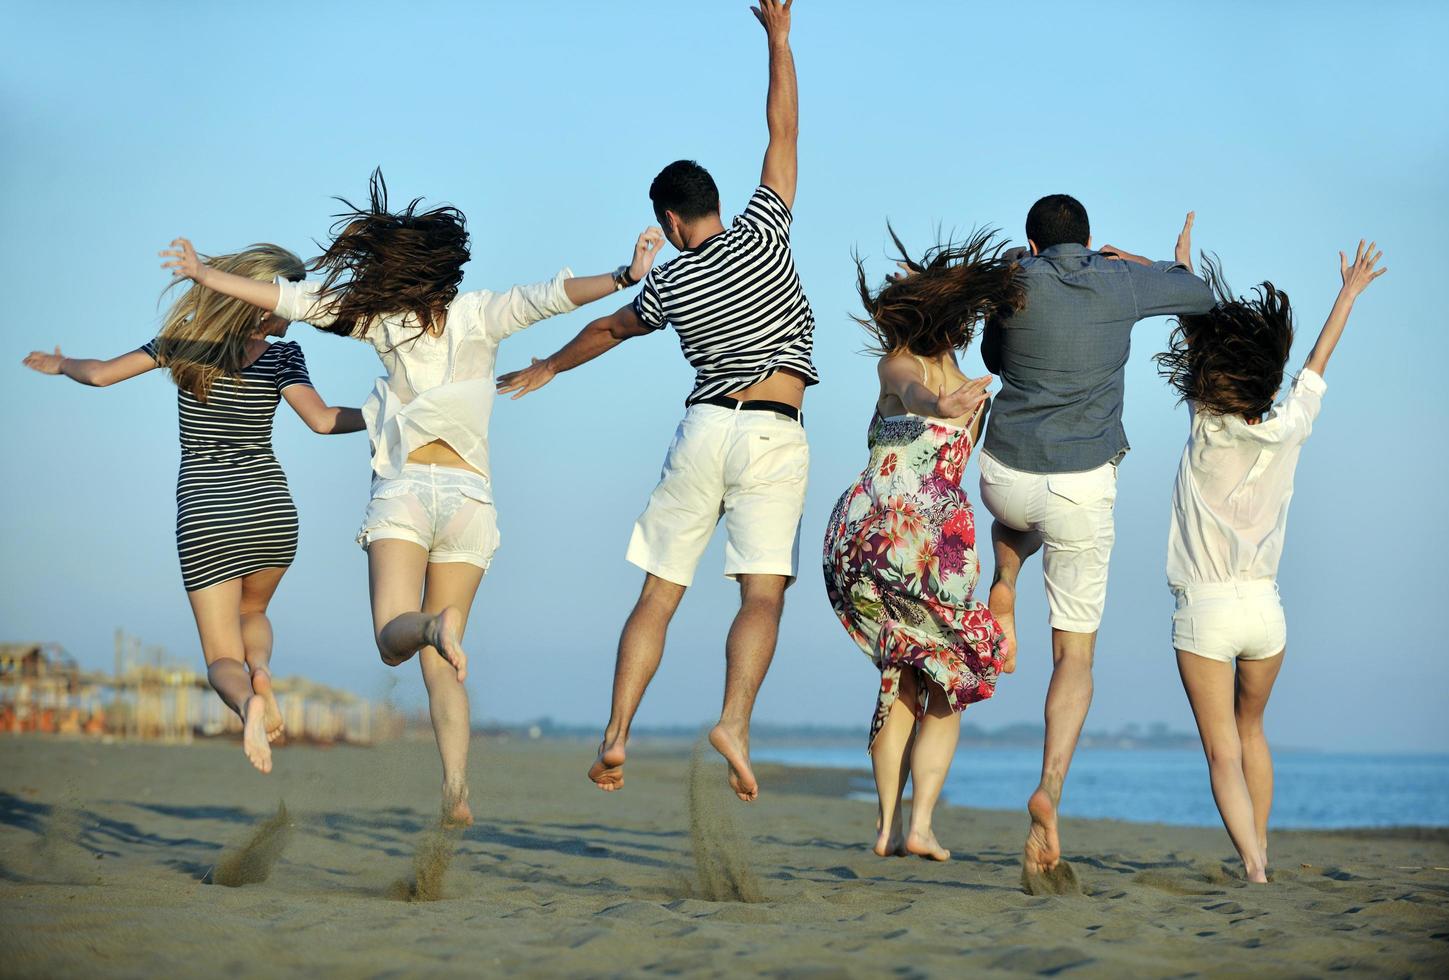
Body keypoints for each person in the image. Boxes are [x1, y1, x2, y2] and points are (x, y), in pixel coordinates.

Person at [160, 175, 664, 823]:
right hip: (469, 500)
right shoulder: (484, 312)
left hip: (405, 495)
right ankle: (456, 789)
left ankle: (432, 627)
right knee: (444, 670)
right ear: (449, 266)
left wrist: (206, 273)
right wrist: (626, 273)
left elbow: (288, 297)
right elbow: (555, 296)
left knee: (395, 637)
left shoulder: (380, 318)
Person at [497, 0, 811, 802]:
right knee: (763, 593)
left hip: (704, 427)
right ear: (712, 204)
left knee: (658, 594)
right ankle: (733, 720)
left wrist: (550, 368)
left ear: (671, 222)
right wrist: (778, 38)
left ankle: (615, 734)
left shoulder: (671, 279)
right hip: (774, 430)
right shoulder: (767, 229)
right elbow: (782, 134)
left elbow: (608, 327)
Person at [22, 245, 365, 774]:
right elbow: (321, 422)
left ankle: (248, 701)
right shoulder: (285, 356)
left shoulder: (182, 343)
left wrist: (61, 363)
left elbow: (99, 376)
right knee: (255, 613)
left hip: (205, 513)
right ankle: (265, 674)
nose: (295, 310)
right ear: (261, 304)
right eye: (288, 300)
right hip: (269, 508)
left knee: (220, 660)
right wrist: (388, 409)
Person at [976, 198, 1214, 886]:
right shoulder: (1119, 280)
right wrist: (1138, 264)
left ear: (1031, 240)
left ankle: (1004, 582)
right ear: (1088, 239)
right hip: (1082, 487)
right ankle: (1049, 785)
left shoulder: (1012, 280)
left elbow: (991, 356)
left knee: (1015, 521)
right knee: (1073, 656)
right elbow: (1198, 295)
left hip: (1004, 473)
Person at [1156, 241, 1386, 883]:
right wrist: (1347, 295)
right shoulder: (1291, 428)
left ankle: (1254, 865)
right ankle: (1262, 850)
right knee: (1251, 731)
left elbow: (1201, 347)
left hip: (1205, 610)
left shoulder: (1208, 426)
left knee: (1219, 749)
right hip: (1266, 612)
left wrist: (1184, 276)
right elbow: (1315, 364)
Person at [823, 228, 1021, 860]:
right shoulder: (943, 380)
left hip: (881, 535)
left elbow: (911, 390)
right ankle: (918, 824)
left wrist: (941, 399)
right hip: (936, 543)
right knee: (944, 684)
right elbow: (919, 396)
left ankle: (892, 826)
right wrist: (946, 403)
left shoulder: (899, 362)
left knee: (901, 676)